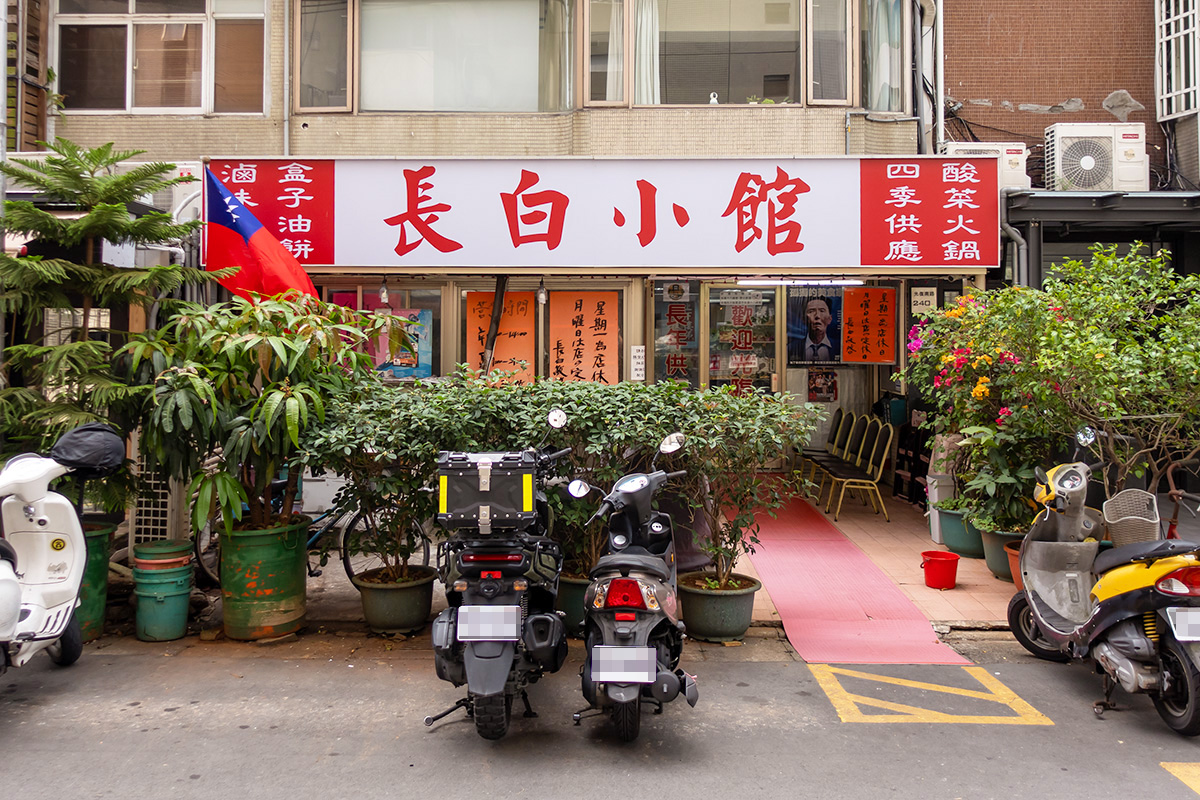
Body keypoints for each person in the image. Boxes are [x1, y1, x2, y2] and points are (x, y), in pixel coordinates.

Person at [795, 295, 839, 362]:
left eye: (822, 311)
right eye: (811, 311)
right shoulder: (791, 349)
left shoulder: (839, 347)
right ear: (803, 319)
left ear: (830, 319)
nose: (817, 316)